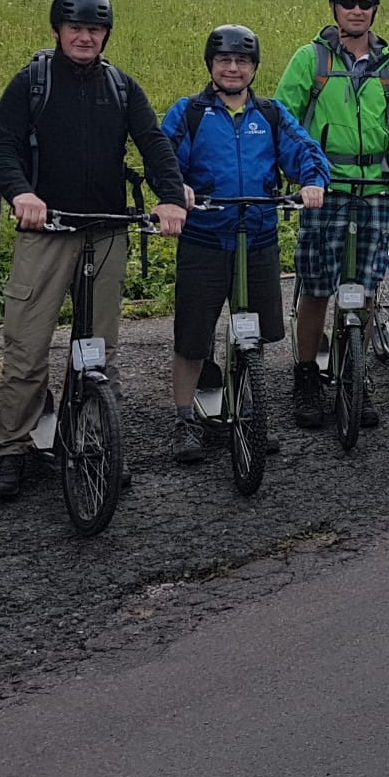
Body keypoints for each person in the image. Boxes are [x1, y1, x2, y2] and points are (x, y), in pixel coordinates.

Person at [0, 0, 188, 499]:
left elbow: (154, 143)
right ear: (57, 31)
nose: (85, 36)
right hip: (46, 232)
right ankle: (10, 447)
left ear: (106, 35)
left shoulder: (121, 87)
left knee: (98, 349)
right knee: (27, 349)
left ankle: (97, 438)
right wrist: (21, 193)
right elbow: (0, 147)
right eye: (76, 27)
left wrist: (170, 198)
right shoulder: (32, 82)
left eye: (95, 29)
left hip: (106, 229)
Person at [162, 25, 329, 463]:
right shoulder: (190, 113)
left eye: (242, 61)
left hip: (256, 236)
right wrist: (175, 188)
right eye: (224, 61)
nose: (233, 68)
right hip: (205, 236)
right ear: (211, 65)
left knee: (254, 330)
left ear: (253, 67)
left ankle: (248, 412)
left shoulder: (269, 115)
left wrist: (312, 181)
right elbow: (164, 159)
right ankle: (184, 418)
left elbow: (305, 151)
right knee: (193, 336)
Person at [274, 0, 389, 432]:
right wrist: (301, 173)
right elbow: (285, 118)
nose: (356, 10)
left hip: (375, 189)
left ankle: (353, 372)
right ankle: (306, 374)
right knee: (318, 286)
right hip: (326, 189)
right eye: (348, 3)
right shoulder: (311, 59)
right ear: (334, 8)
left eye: (364, 4)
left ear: (374, 10)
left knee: (361, 286)